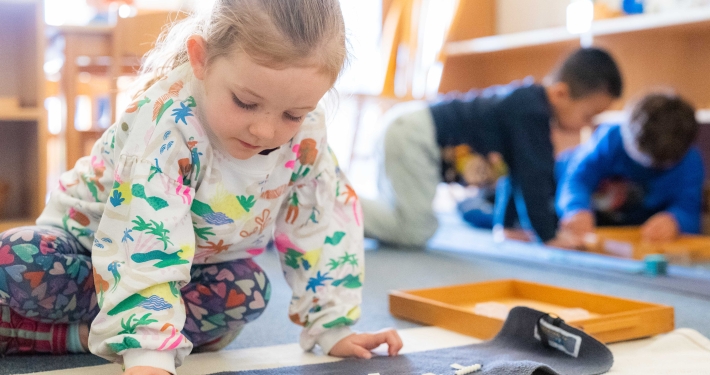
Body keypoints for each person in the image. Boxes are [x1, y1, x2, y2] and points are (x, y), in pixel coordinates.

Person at [0, 1, 403, 374]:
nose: (265, 130)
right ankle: (125, 332)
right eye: (245, 102)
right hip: (86, 249)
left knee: (248, 290)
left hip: (185, 268)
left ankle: (75, 336)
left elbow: (322, 223)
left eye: (294, 114)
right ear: (201, 58)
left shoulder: (307, 136)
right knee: (17, 256)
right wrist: (150, 354)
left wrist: (332, 326)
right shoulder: (169, 121)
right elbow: (145, 234)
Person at [361, 47, 623, 247]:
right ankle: (337, 206)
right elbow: (534, 177)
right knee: (416, 229)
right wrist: (550, 235)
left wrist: (505, 225)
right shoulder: (532, 112)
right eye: (588, 116)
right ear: (560, 94)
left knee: (403, 220)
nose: (586, 126)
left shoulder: (527, 109)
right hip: (415, 135)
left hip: (407, 128)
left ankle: (342, 207)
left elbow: (515, 172)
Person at [556, 92, 703, 246]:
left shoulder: (690, 162)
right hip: (593, 232)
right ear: (626, 135)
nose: (648, 167)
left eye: (659, 166)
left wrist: (675, 221)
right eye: (641, 158)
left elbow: (689, 210)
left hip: (637, 240)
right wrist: (576, 208)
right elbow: (576, 179)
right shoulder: (610, 139)